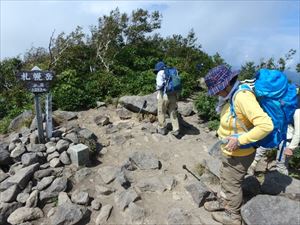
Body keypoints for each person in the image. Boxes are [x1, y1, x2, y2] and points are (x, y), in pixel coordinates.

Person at [203, 65, 274, 225]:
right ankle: (224, 202)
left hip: (240, 153)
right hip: (231, 151)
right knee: (226, 177)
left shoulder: (242, 96)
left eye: (217, 89)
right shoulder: (232, 95)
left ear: (227, 84)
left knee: (232, 183)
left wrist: (239, 140)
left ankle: (233, 216)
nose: (216, 93)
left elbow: (266, 125)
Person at [248, 88, 300, 175]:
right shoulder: (295, 107)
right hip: (282, 134)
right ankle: (252, 167)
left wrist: (291, 148)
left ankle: (275, 181)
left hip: (282, 136)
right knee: (278, 162)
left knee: (280, 163)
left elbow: (298, 132)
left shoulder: (290, 103)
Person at [154, 61, 180, 137]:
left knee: (161, 111)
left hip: (164, 95)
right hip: (173, 95)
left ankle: (162, 129)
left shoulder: (160, 73)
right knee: (173, 112)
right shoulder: (173, 71)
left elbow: (159, 85)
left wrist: (157, 88)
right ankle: (176, 129)